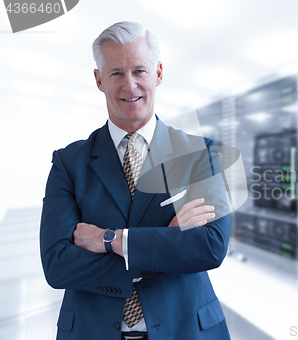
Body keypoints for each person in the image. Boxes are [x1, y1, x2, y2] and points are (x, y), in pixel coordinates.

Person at [40, 21, 231, 340]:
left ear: (157, 73)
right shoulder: (70, 162)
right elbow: (58, 265)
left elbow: (209, 247)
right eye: (116, 73)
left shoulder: (200, 153)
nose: (130, 86)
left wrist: (109, 240)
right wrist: (164, 243)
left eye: (139, 71)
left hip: (185, 329)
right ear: (99, 79)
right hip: (93, 331)